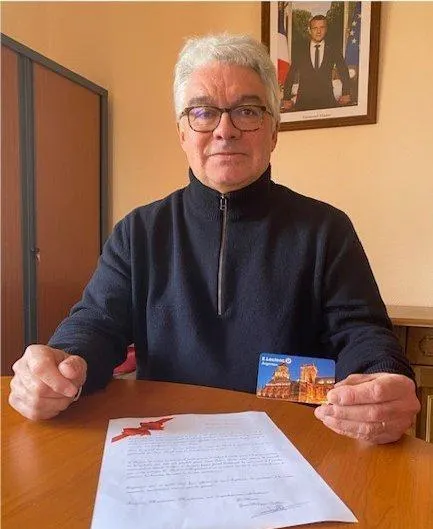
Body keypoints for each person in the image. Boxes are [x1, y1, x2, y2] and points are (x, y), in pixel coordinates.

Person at [9, 33, 419, 444]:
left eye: (247, 111)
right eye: (203, 112)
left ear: (274, 131)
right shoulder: (138, 232)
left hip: (295, 445)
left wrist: (381, 378)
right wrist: (61, 364)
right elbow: (96, 324)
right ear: (182, 133)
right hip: (168, 442)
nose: (225, 130)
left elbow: (362, 333)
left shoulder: (326, 229)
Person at [282, 15, 351, 112]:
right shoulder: (300, 50)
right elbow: (291, 74)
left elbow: (343, 70)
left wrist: (346, 93)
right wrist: (286, 98)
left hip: (327, 102)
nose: (318, 31)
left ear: (326, 29)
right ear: (309, 30)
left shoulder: (333, 49)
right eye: (315, 28)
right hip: (303, 103)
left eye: (322, 27)